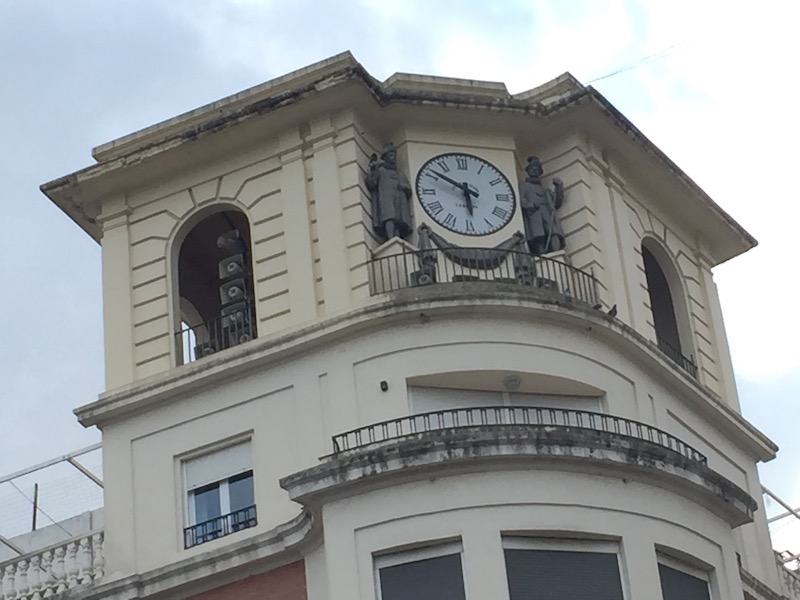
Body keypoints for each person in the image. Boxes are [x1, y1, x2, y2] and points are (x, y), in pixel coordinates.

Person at [366, 142, 413, 241]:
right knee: (389, 216)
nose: (393, 157)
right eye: (390, 155)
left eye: (394, 155)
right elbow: (372, 183)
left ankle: (397, 236)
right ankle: (390, 237)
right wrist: (373, 171)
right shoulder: (381, 171)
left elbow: (408, 187)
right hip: (386, 198)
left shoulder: (399, 173)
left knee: (399, 218)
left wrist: (403, 186)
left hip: (399, 199)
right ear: (385, 157)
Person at [519, 155, 565, 255]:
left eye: (537, 169)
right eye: (532, 168)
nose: (534, 170)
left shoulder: (545, 190)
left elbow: (556, 202)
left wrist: (559, 188)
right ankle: (541, 254)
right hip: (535, 213)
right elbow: (521, 200)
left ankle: (556, 253)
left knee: (553, 232)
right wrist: (530, 205)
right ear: (528, 171)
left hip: (547, 212)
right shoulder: (524, 186)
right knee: (538, 234)